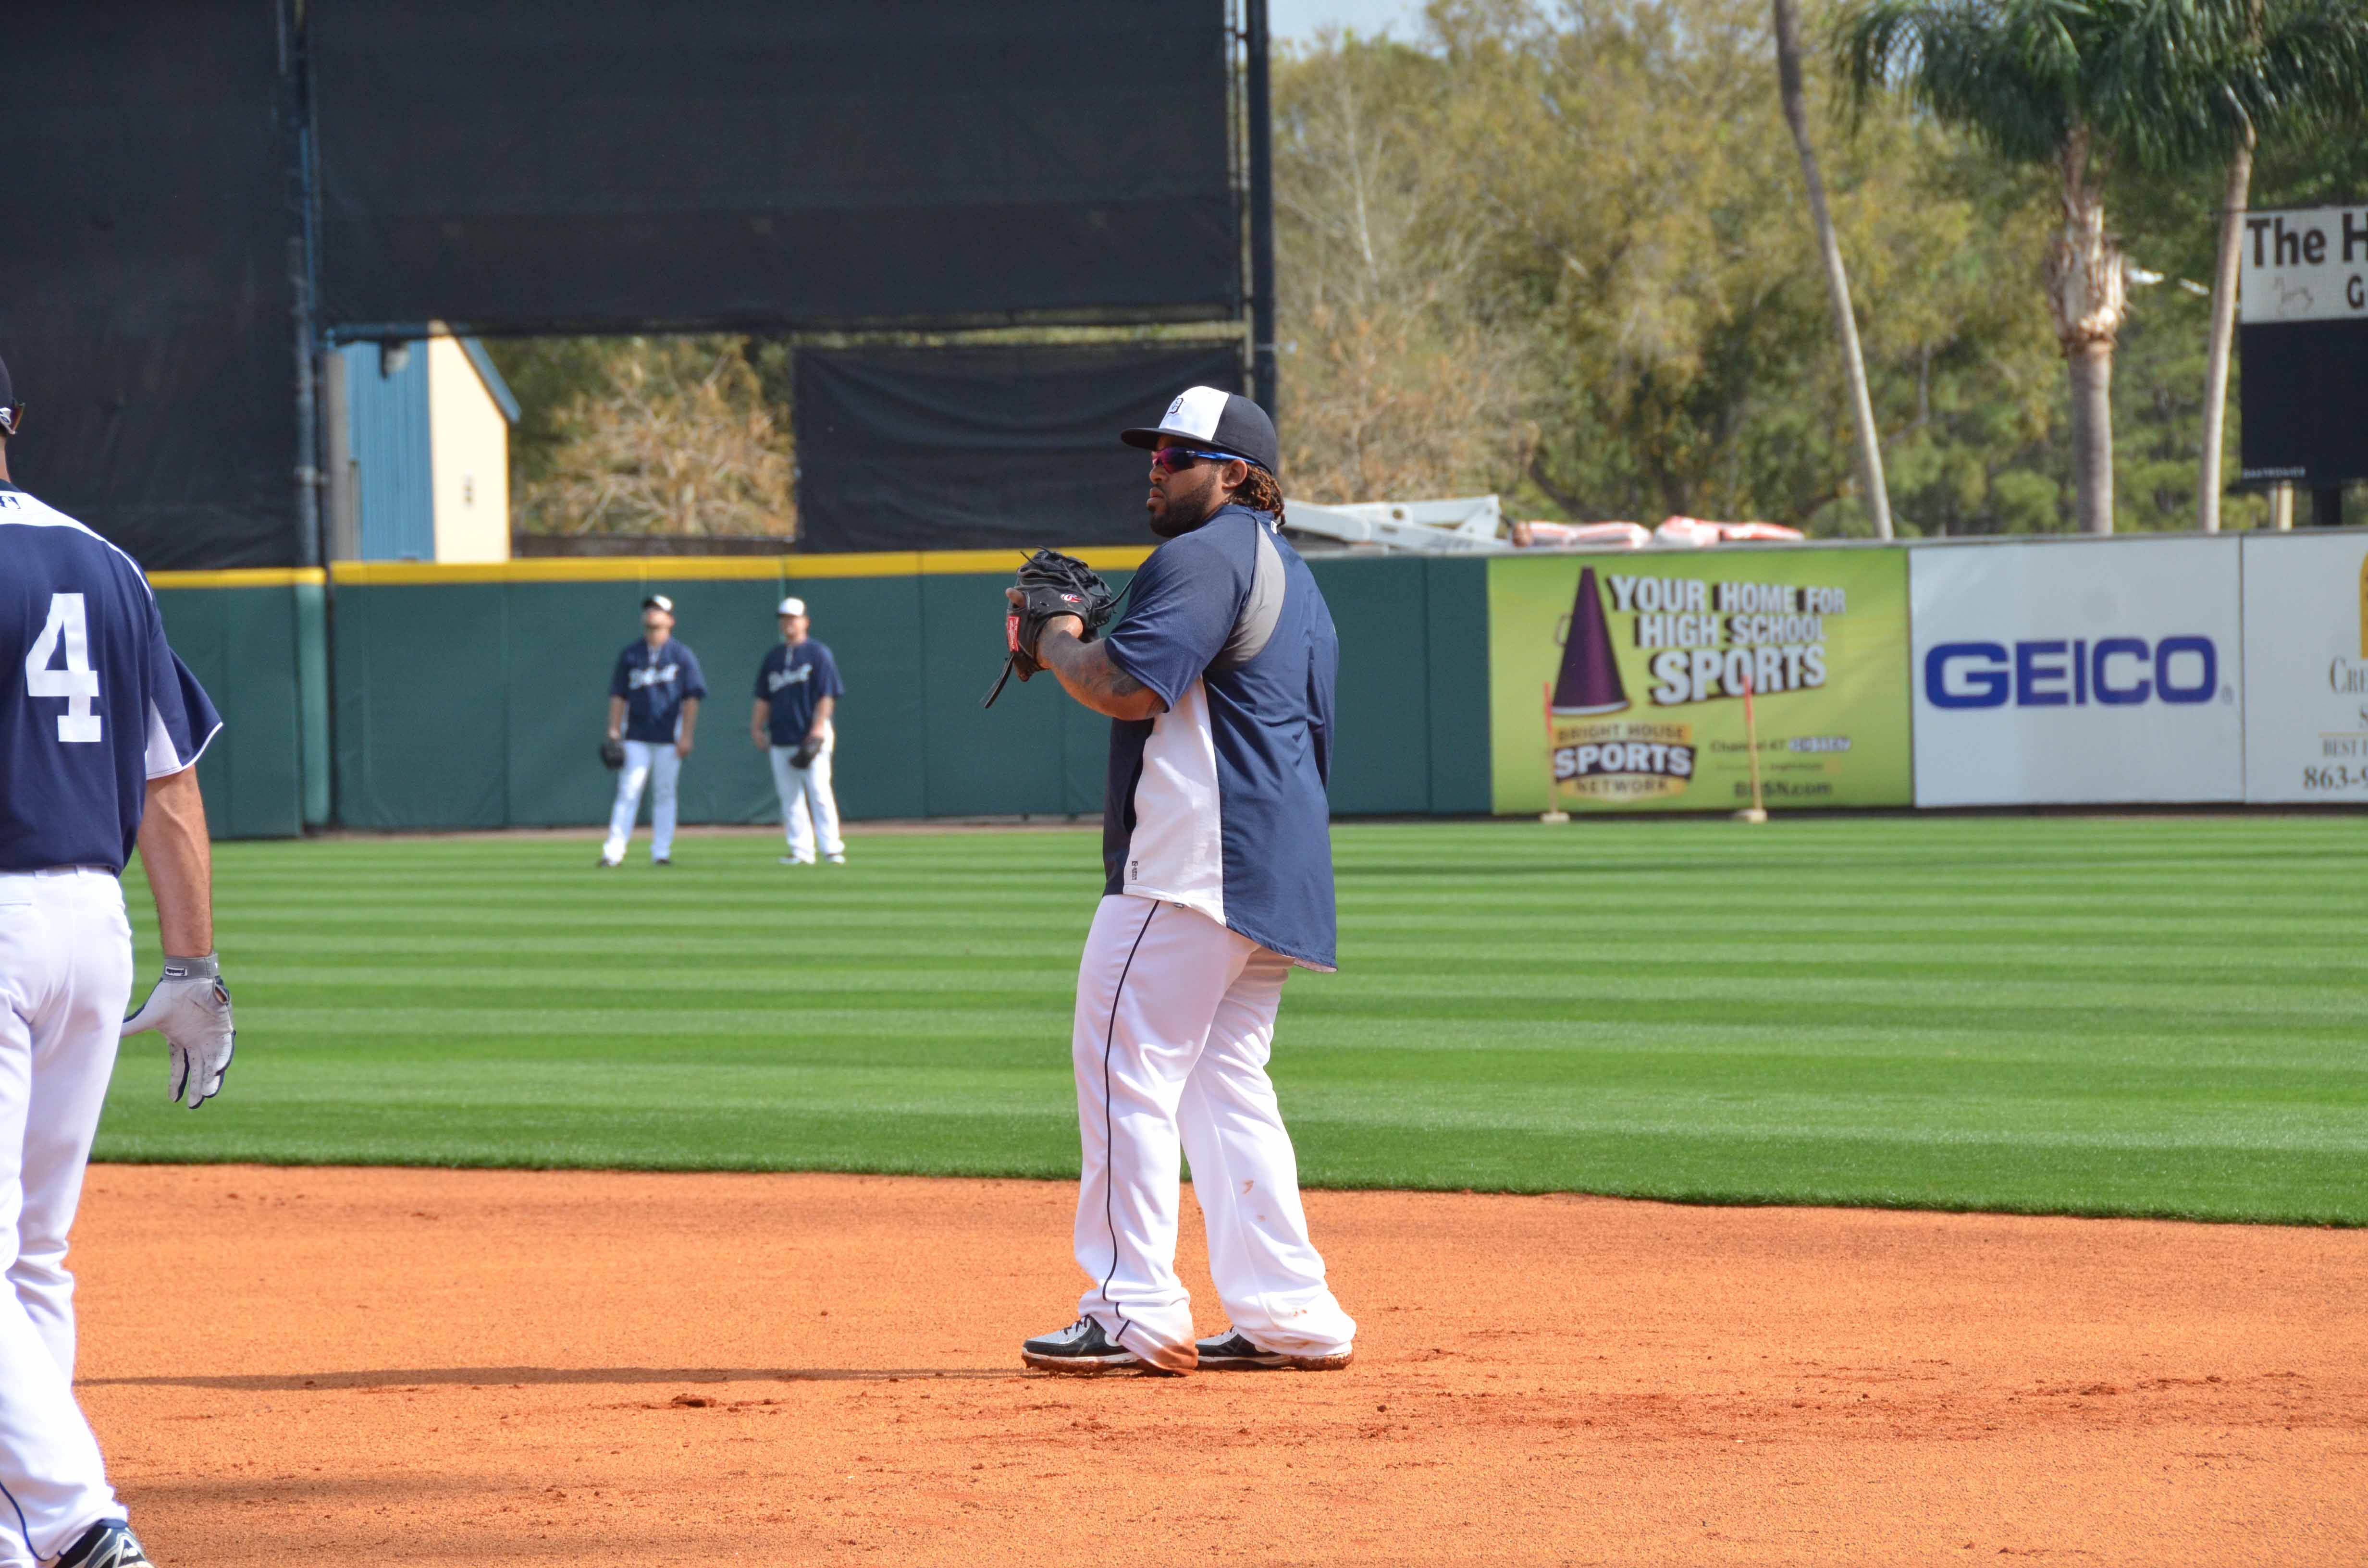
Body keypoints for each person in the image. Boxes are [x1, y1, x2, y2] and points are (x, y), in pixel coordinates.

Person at [1012, 386, 1357, 1376]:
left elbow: (1125, 688)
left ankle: (1132, 1309)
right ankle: (1291, 1313)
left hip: (1196, 860)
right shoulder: (1289, 574)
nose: (1154, 469)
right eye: (1153, 453)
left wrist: (1052, 638)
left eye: (1176, 457)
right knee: (1223, 1088)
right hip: (1272, 866)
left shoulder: (1203, 557)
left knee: (1128, 1065)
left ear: (1236, 475)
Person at [0, 352, 234, 1568]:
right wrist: (194, 967)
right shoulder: (108, 562)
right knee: (32, 1252)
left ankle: (83, 1520)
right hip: (94, 923)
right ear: (14, 421)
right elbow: (172, 786)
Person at [600, 594, 705, 868]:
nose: (652, 614)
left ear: (671, 620)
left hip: (670, 737)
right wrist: (613, 731)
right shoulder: (631, 655)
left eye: (659, 610)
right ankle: (613, 852)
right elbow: (618, 696)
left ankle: (661, 852)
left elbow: (692, 698)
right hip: (636, 735)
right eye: (649, 609)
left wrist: (687, 736)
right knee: (628, 791)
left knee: (665, 793)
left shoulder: (682, 655)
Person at [750, 597, 846, 866]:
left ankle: (831, 848)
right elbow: (763, 697)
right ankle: (801, 850)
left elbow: (828, 694)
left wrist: (817, 729)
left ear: (806, 622)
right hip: (781, 735)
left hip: (811, 734)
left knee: (819, 791)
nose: (788, 623)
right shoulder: (774, 657)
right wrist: (756, 727)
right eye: (784, 618)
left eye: (793, 618)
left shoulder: (818, 653)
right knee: (789, 796)